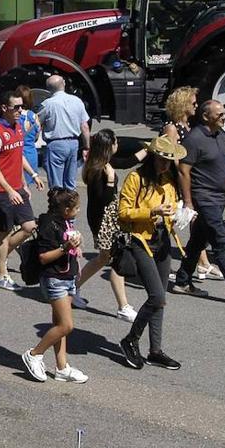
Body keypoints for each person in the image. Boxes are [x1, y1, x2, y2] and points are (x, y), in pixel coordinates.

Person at [169, 99, 225, 306]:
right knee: (221, 244)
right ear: (206, 117)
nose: (224, 118)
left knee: (197, 242)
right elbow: (184, 171)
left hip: (219, 198)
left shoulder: (221, 136)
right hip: (204, 199)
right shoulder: (194, 139)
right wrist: (188, 202)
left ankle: (182, 282)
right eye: (220, 115)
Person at [118, 138, 186, 370]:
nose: (166, 164)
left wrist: (179, 214)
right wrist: (151, 211)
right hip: (141, 241)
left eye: (170, 160)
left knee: (161, 301)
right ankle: (130, 340)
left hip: (163, 241)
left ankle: (155, 350)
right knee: (156, 296)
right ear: (153, 157)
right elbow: (123, 213)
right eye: (163, 159)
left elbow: (173, 205)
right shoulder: (135, 178)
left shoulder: (169, 179)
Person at [21, 188, 89, 384]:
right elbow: (43, 257)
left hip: (67, 277)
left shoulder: (64, 221)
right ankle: (34, 354)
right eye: (76, 208)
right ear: (66, 209)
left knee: (59, 324)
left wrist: (77, 243)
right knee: (66, 325)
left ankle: (62, 367)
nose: (78, 210)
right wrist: (65, 248)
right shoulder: (48, 225)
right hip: (55, 279)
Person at [0, 91, 45, 292]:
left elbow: (18, 157)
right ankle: (2, 275)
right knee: (4, 231)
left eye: (22, 106)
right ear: (4, 108)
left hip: (16, 186)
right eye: (16, 107)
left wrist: (33, 176)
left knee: (29, 226)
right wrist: (10, 190)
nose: (21, 111)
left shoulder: (18, 127)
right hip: (0, 189)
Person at [73, 129, 135, 319]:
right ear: (109, 146)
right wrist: (110, 181)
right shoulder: (99, 170)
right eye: (115, 142)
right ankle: (123, 307)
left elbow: (127, 162)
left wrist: (147, 150)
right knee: (117, 259)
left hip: (108, 219)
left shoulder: (103, 163)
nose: (118, 144)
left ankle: (73, 287)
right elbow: (103, 199)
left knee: (103, 258)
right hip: (104, 220)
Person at [160, 86, 218, 281]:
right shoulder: (172, 127)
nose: (196, 106)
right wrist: (185, 176)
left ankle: (202, 263)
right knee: (182, 220)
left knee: (195, 220)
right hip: (176, 181)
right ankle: (200, 263)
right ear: (183, 104)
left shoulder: (187, 127)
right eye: (193, 103)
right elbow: (172, 156)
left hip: (190, 178)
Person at [37, 75, 91, 190]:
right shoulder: (77, 101)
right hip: (73, 143)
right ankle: (71, 205)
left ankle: (58, 205)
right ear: (64, 83)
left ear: (49, 88)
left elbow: (37, 123)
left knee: (56, 184)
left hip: (55, 144)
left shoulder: (47, 104)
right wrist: (87, 146)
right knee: (70, 183)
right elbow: (85, 127)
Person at [17, 86, 44, 188]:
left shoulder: (14, 115)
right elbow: (37, 136)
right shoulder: (33, 116)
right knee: (27, 186)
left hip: (17, 152)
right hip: (31, 152)